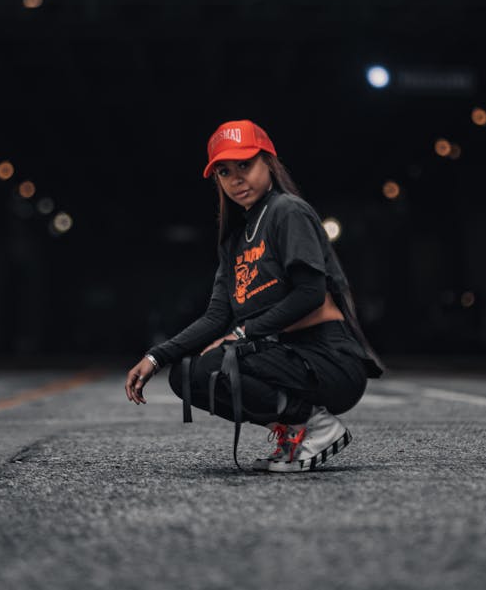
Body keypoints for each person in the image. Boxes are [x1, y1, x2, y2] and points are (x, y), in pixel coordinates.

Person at [125, 119, 383, 472]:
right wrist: (156, 357)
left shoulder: (287, 211)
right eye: (224, 172)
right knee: (185, 374)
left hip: (331, 359)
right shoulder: (234, 242)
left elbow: (310, 293)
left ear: (269, 163)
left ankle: (318, 426)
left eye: (245, 165)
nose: (236, 179)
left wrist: (242, 334)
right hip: (284, 357)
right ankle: (295, 430)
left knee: (221, 359)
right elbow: (217, 317)